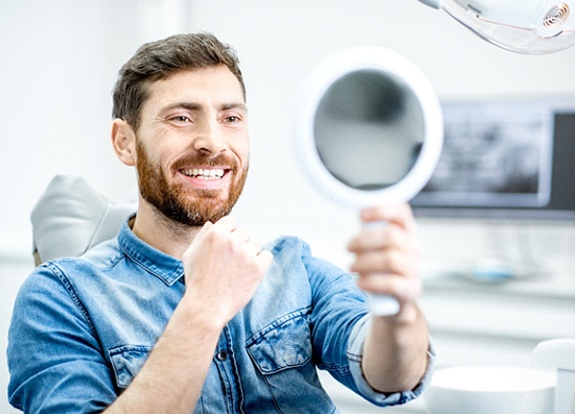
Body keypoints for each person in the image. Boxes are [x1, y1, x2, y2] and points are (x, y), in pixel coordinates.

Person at [7, 32, 434, 413]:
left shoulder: (293, 268)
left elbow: (390, 377)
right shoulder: (58, 296)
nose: (213, 142)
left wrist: (396, 311)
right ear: (125, 142)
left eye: (231, 118)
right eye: (181, 117)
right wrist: (203, 308)